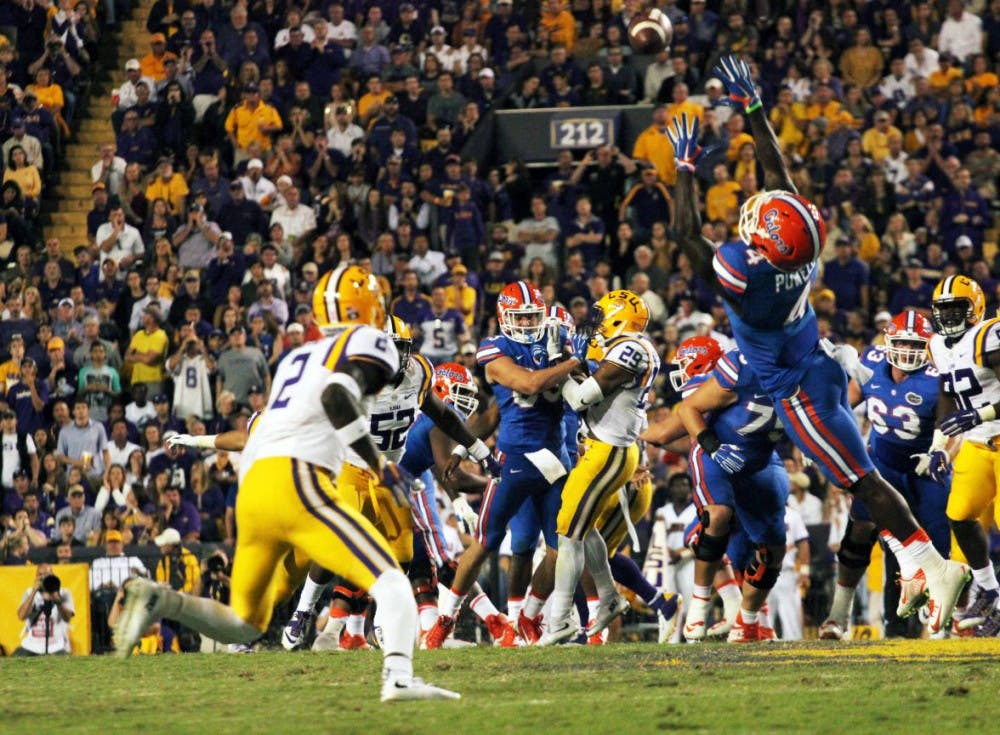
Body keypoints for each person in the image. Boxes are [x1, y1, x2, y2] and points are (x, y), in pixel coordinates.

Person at [667, 54, 968, 635]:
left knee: (858, 481)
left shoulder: (745, 276)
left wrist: (684, 167)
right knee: (858, 477)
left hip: (796, 386)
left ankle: (928, 562)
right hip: (817, 360)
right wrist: (753, 109)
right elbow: (778, 174)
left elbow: (684, 232)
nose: (753, 217)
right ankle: (918, 562)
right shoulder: (799, 250)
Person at [116, 264, 459, 701]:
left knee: (245, 621)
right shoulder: (366, 347)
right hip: (300, 481)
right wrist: (380, 465)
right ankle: (398, 679)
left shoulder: (297, 357)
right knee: (392, 580)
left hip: (255, 489)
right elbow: (338, 398)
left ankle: (163, 602)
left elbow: (261, 429)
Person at [280, 316, 501, 651]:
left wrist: (479, 449)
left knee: (401, 556)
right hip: (351, 466)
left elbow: (442, 415)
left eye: (397, 349)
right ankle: (303, 612)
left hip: (391, 470)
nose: (391, 358)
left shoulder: (418, 372)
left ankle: (379, 624)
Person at [424, 281, 582, 648]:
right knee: (484, 543)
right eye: (520, 318)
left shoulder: (556, 340)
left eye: (533, 318)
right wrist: (573, 361)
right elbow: (526, 385)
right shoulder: (495, 349)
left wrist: (577, 359)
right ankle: (445, 619)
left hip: (556, 461)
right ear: (505, 318)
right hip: (514, 461)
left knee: (562, 548)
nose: (528, 326)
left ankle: (527, 616)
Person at [538, 290, 669, 644]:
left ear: (619, 319)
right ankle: (609, 597)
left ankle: (560, 618)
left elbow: (580, 398)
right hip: (606, 448)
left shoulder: (631, 349)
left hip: (608, 452)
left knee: (568, 531)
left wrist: (555, 361)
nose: (594, 325)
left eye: (601, 317)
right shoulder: (628, 347)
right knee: (586, 526)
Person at [643, 336, 790, 642]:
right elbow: (686, 435)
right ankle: (740, 614)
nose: (683, 372)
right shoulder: (747, 374)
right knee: (727, 538)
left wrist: (629, 431)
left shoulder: (719, 379)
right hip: (744, 461)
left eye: (686, 364)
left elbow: (668, 433)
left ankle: (746, 617)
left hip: (752, 465)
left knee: (747, 547)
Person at [820, 311, 951, 640]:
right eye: (902, 343)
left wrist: (941, 451)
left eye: (914, 344)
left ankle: (940, 620)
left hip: (924, 469)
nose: (907, 351)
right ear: (887, 342)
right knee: (859, 531)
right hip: (881, 466)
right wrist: (824, 439)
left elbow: (950, 425)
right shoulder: (871, 362)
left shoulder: (938, 377)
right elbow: (844, 405)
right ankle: (839, 614)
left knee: (938, 546)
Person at [927, 277, 1000, 636]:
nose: (949, 317)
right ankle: (989, 590)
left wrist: (980, 413)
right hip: (976, 442)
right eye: (943, 310)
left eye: (957, 309)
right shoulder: (937, 346)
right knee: (959, 515)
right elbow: (946, 395)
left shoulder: (989, 336)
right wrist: (938, 445)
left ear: (975, 308)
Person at [15, 565, 75, 656]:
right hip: (31, 645)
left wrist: (57, 600)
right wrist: (33, 592)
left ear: (52, 575)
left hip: (56, 645)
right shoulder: (28, 592)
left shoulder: (64, 593)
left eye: (47, 574)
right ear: (36, 577)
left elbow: (67, 618)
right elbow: (21, 616)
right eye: (40, 575)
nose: (43, 577)